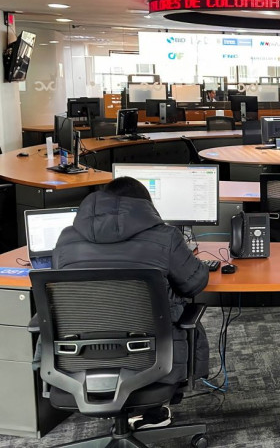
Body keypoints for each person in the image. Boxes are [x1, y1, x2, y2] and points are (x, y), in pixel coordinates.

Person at [53, 177, 210, 428]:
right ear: (144, 207)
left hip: (79, 360)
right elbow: (195, 284)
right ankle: (150, 412)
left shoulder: (66, 240)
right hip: (150, 358)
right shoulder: (166, 236)